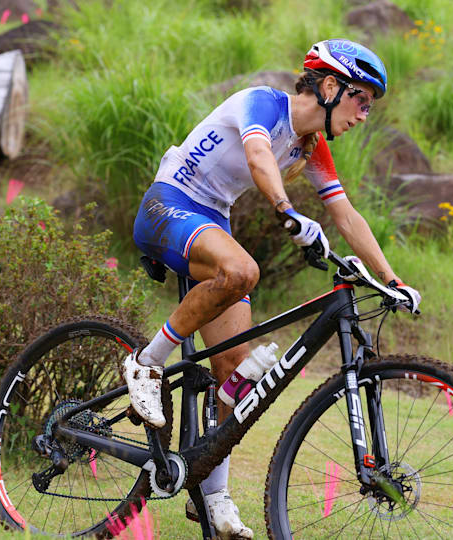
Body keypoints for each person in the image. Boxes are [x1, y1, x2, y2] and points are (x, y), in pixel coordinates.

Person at [125, 38, 421, 539]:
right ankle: (146, 362)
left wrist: (392, 280)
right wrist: (287, 211)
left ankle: (212, 497)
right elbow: (259, 156)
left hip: (210, 221)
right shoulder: (262, 104)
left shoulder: (312, 147)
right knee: (242, 271)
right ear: (330, 86)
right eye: (361, 100)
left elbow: (345, 214)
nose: (364, 114)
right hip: (169, 203)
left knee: (235, 379)